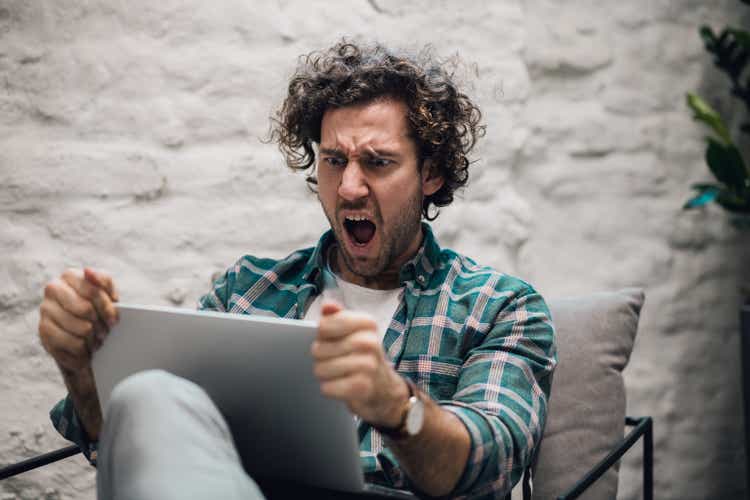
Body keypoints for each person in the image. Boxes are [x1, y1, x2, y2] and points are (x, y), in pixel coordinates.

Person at [38, 40, 557, 500]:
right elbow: (139, 449)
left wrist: (399, 409)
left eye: (377, 162)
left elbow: (492, 463)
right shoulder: (247, 291)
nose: (350, 187)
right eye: (334, 160)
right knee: (146, 394)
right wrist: (82, 368)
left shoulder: (498, 305)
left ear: (431, 172)